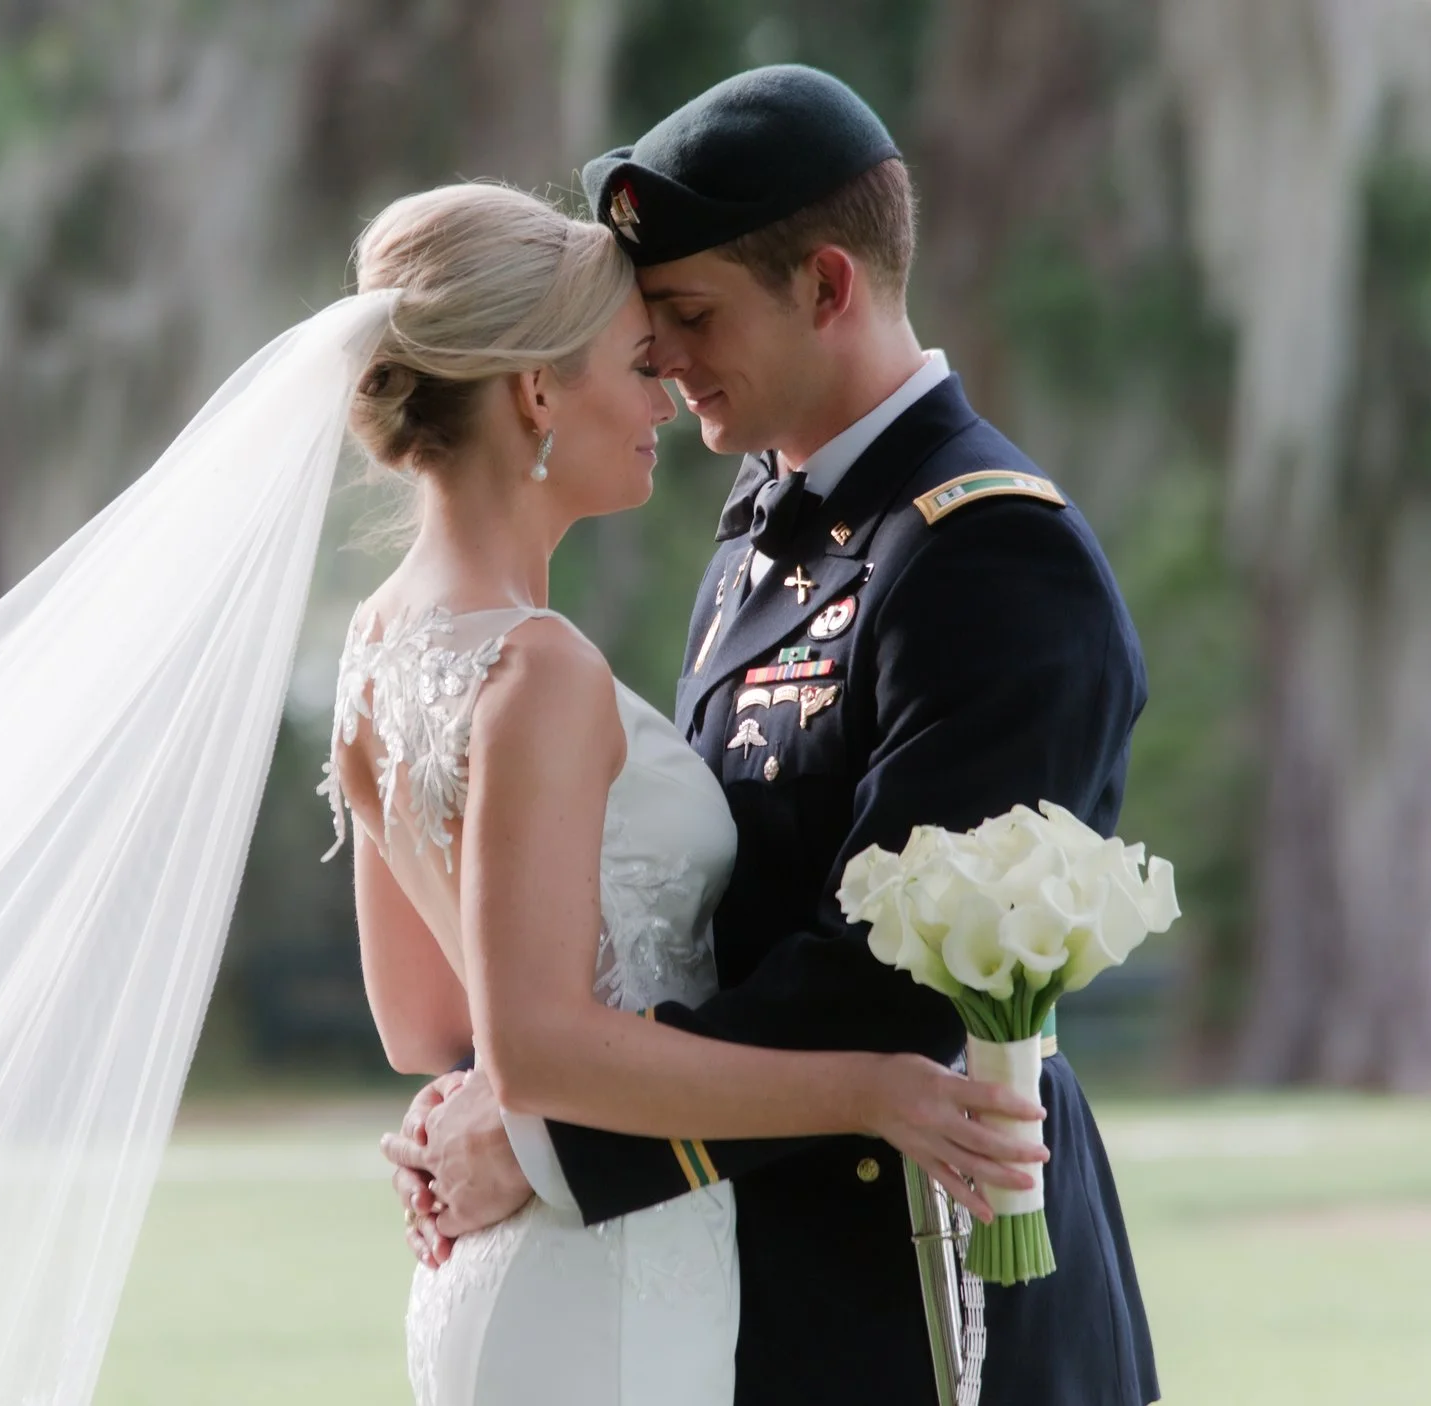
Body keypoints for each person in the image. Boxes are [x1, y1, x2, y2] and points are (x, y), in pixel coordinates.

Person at [378, 66, 1163, 1406]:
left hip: (929, 1286)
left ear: (828, 287)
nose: (665, 361)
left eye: (690, 315)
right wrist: (500, 1078)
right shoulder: (756, 534)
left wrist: (555, 1131)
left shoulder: (990, 556)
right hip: (754, 1267)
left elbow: (899, 981)